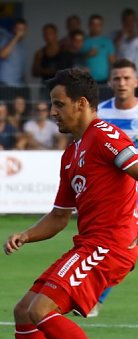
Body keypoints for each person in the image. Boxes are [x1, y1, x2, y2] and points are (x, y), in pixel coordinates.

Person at [0, 67, 138, 339]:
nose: (52, 112)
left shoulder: (105, 136)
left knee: (41, 308)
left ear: (82, 103)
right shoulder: (72, 153)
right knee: (24, 310)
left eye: (58, 104)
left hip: (110, 244)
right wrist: (26, 235)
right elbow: (59, 217)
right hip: (88, 243)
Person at [83, 58, 138, 317]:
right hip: (115, 192)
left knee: (128, 247)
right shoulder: (100, 114)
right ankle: (93, 295)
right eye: (117, 78)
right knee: (115, 246)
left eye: (127, 78)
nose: (122, 83)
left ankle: (95, 297)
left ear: (136, 81)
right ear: (110, 82)